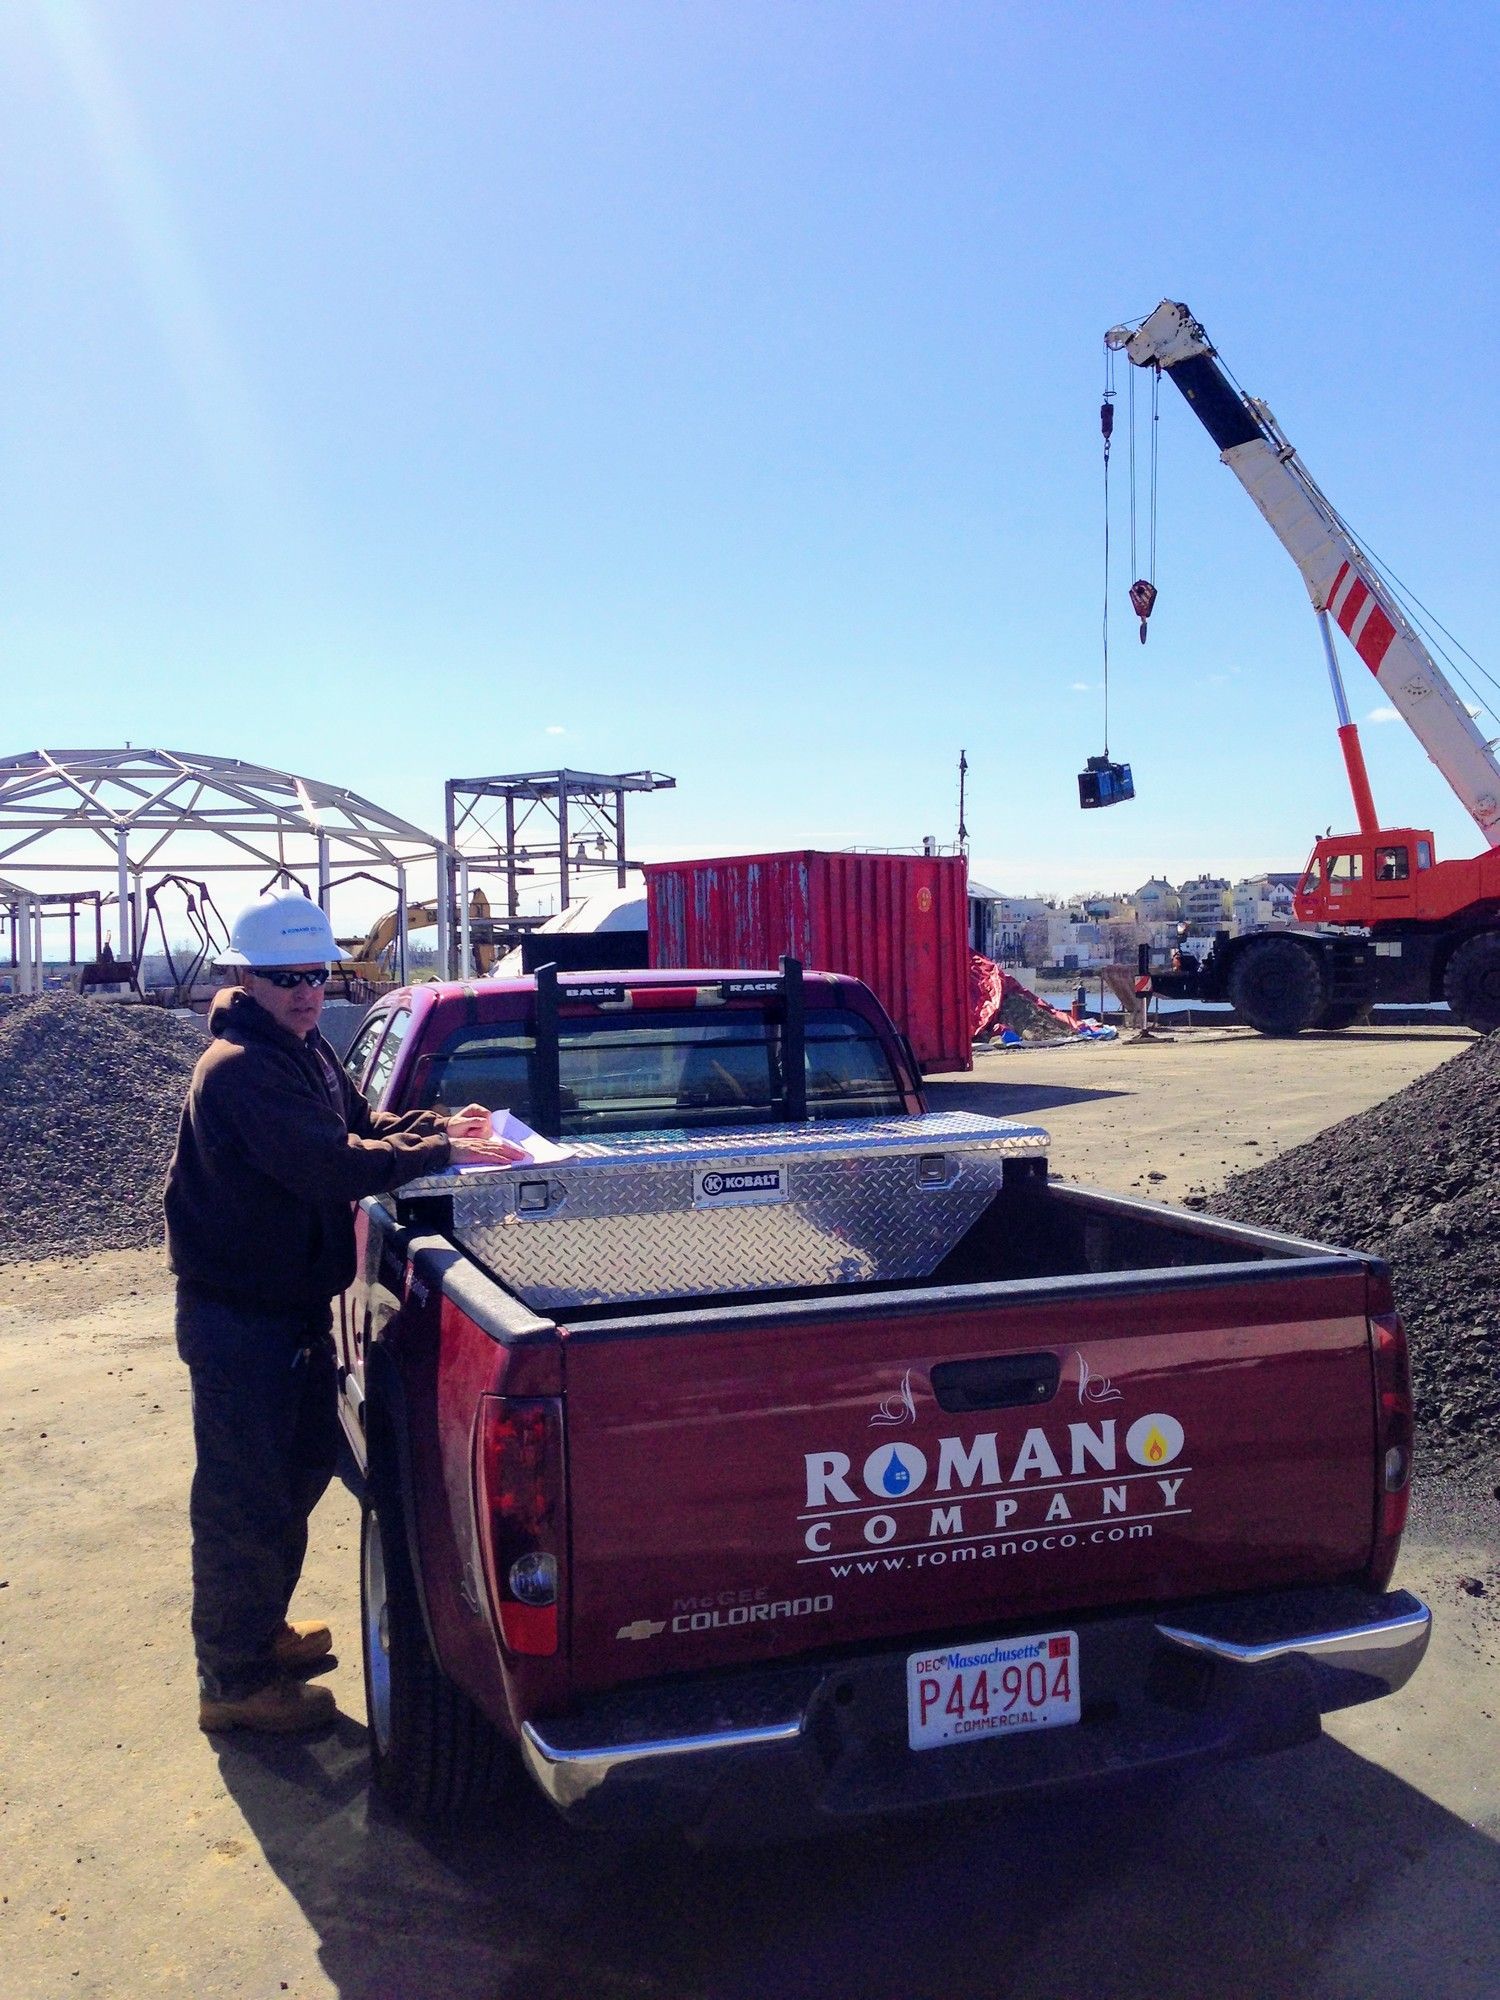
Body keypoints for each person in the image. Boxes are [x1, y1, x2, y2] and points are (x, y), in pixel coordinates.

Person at [164, 889, 521, 1735]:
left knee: (297, 1473)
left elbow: (363, 1123)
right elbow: (330, 1162)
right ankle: (233, 1679)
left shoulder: (301, 1049)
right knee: (245, 1497)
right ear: (245, 979)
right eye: (287, 977)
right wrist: (442, 1152)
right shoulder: (240, 1069)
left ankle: (258, 1633)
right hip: (239, 1321)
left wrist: (439, 1122)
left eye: (317, 973)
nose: (307, 990)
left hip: (281, 1312)